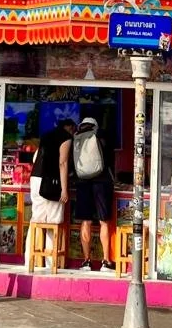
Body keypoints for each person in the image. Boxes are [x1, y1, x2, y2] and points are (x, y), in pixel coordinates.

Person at [25, 117, 74, 269]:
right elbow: (63, 163)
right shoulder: (66, 137)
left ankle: (30, 261)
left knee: (37, 220)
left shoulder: (46, 135)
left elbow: (35, 159)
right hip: (51, 182)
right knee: (53, 221)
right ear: (69, 128)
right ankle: (50, 263)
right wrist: (64, 189)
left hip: (36, 179)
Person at [73, 114, 115, 271]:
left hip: (82, 182)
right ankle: (105, 261)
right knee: (104, 221)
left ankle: (87, 261)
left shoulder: (77, 136)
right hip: (102, 182)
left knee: (86, 221)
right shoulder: (101, 134)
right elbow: (110, 158)